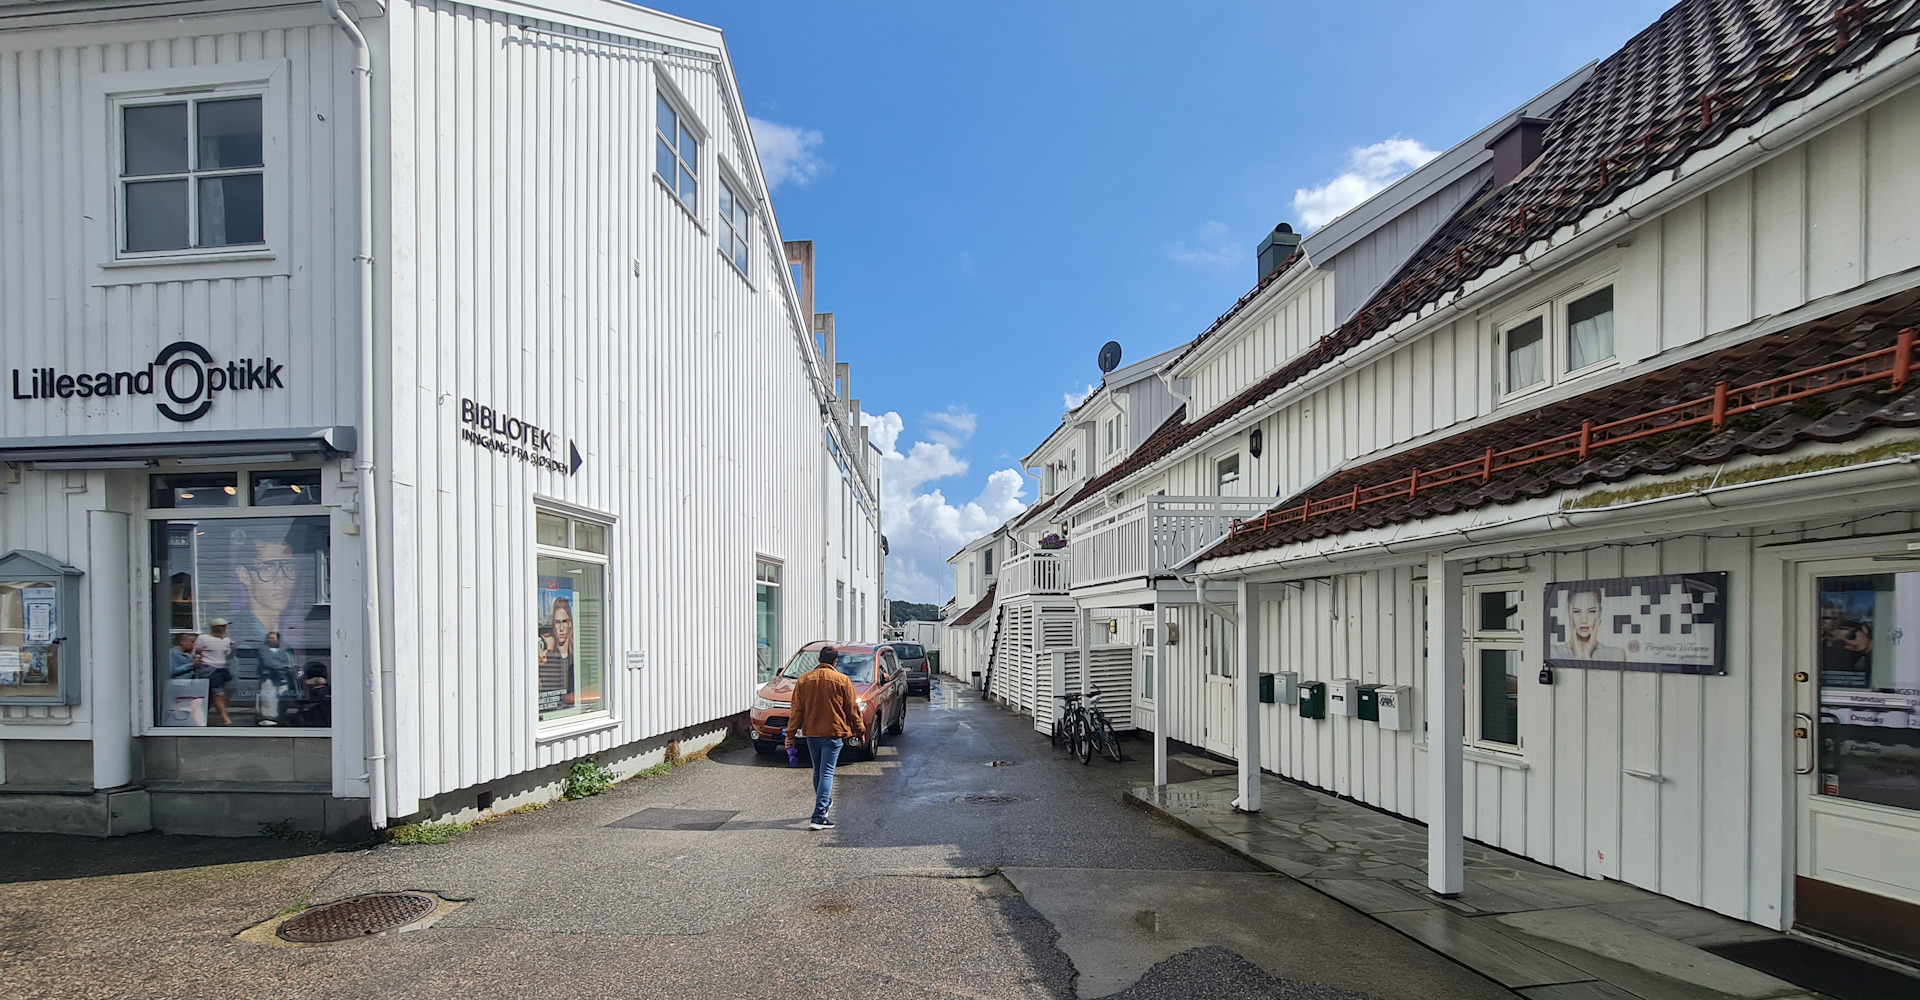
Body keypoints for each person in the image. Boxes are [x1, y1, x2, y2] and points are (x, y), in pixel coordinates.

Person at [784, 646, 866, 831]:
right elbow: (852, 710)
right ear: (835, 661)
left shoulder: (804, 680)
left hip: (812, 733)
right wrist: (860, 731)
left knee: (818, 771)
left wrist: (790, 735)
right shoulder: (842, 680)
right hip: (834, 732)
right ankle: (819, 815)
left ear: (819, 660)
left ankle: (823, 804)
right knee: (827, 773)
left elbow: (796, 711)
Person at [1561, 589, 1625, 662]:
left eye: (1591, 611)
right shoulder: (1554, 652)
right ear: (1569, 613)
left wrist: (1586, 654)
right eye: (1577, 611)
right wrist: (1578, 654)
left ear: (1599, 612)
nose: (1584, 620)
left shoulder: (1616, 654)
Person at [192, 619, 236, 725]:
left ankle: (202, 714)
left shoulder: (226, 640)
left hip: (222, 668)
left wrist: (233, 649)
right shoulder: (203, 638)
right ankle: (225, 719)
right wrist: (198, 661)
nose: (225, 629)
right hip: (209, 668)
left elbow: (228, 656)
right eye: (223, 626)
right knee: (218, 694)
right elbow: (196, 652)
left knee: (227, 690)